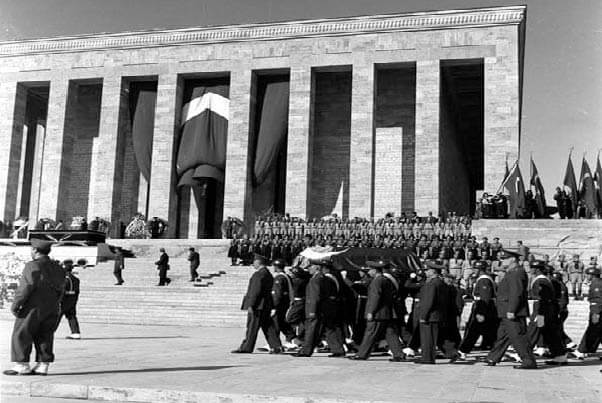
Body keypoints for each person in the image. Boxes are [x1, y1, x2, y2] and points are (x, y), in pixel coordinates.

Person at [3, 239, 65, 376]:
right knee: (45, 335)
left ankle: (22, 365)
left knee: (21, 334)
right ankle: (43, 365)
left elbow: (26, 287)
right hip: (52, 307)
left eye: (32, 249)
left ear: (35, 250)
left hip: (32, 307)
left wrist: (16, 305)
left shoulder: (32, 266)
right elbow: (62, 289)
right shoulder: (58, 267)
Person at [485, 249, 537, 369]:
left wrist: (512, 310)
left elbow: (516, 293)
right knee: (503, 335)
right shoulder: (511, 272)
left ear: (513, 259)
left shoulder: (516, 273)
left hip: (512, 311)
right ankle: (493, 357)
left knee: (518, 336)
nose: (502, 261)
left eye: (504, 259)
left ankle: (528, 360)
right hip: (505, 310)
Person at [348, 260, 405, 361]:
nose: (369, 272)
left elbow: (375, 298)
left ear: (375, 270)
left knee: (370, 333)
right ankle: (399, 354)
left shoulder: (377, 281)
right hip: (386, 312)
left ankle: (362, 354)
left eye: (370, 270)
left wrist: (371, 312)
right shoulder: (385, 280)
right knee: (391, 334)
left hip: (378, 313)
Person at [232, 254, 282, 354]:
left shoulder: (258, 274)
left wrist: (251, 304)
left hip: (258, 305)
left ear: (258, 262)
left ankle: (246, 347)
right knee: (268, 327)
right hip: (266, 305)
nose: (253, 264)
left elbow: (255, 291)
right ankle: (276, 346)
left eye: (254, 262)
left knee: (252, 327)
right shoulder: (268, 274)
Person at [294, 260, 345, 358]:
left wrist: (312, 311)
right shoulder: (323, 278)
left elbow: (315, 296)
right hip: (324, 309)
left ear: (317, 267)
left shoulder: (316, 279)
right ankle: (338, 350)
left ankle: (305, 351)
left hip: (316, 309)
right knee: (329, 329)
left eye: (310, 267)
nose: (308, 269)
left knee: (312, 330)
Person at [526, 261, 567, 365]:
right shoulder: (544, 280)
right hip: (545, 310)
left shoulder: (540, 281)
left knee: (533, 330)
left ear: (537, 269)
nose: (530, 270)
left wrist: (538, 313)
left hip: (541, 311)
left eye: (532, 268)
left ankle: (524, 352)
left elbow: (542, 299)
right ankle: (560, 355)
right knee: (549, 333)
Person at [416, 261, 453, 364]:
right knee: (433, 337)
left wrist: (424, 315)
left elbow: (429, 301)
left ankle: (427, 358)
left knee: (427, 338)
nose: (426, 272)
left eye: (427, 270)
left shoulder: (432, 284)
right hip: (438, 314)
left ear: (433, 271)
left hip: (431, 315)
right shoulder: (441, 283)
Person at [459, 261, 497, 358]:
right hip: (482, 307)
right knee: (490, 332)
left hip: (482, 307)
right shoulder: (481, 279)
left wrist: (481, 312)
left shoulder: (484, 280)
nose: (474, 270)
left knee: (473, 330)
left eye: (475, 268)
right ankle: (495, 350)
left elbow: (485, 298)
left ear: (480, 270)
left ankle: (464, 350)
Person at [573, 267, 602, 360]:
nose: (586, 276)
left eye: (587, 274)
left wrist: (596, 313)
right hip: (598, 310)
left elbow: (597, 300)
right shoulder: (598, 282)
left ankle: (581, 351)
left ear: (592, 275)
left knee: (591, 330)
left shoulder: (596, 284)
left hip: (597, 311)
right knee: (599, 332)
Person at [271, 259, 296, 347]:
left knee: (275, 323)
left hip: (280, 304)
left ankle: (274, 342)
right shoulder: (286, 276)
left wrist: (274, 306)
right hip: (285, 303)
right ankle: (291, 338)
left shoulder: (279, 278)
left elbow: (277, 293)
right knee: (282, 322)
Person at [59, 259, 81, 340]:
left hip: (64, 300)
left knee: (56, 316)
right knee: (71, 316)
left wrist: (59, 301)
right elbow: (77, 292)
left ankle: (49, 332)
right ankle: (76, 332)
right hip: (72, 300)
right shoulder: (76, 279)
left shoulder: (64, 278)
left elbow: (62, 291)